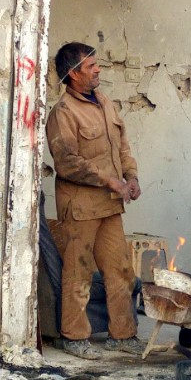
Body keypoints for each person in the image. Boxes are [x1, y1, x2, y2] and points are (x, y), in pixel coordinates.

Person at [45, 42, 144, 359]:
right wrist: (107, 180)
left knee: (120, 270)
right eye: (91, 66)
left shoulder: (105, 103)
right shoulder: (63, 113)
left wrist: (131, 177)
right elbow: (67, 162)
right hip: (81, 207)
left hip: (110, 205)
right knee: (79, 271)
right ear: (73, 74)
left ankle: (123, 335)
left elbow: (123, 146)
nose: (98, 69)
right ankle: (73, 337)